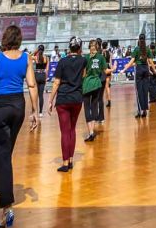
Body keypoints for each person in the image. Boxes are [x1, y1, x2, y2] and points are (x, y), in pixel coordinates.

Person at [0, 24, 39, 228]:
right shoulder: (26, 58)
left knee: (2, 155)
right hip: (18, 107)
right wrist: (35, 112)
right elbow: (32, 85)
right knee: (3, 153)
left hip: (0, 106)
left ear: (5, 39)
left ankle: (7, 207)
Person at [48, 36, 86, 172]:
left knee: (65, 131)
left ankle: (65, 162)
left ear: (69, 47)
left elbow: (56, 82)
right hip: (76, 98)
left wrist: (50, 100)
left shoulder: (62, 61)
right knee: (72, 129)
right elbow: (84, 75)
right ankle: (70, 159)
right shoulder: (83, 60)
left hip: (63, 99)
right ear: (80, 48)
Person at [82, 39, 109, 139]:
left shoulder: (86, 57)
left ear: (89, 47)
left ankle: (90, 131)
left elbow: (83, 74)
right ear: (97, 47)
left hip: (87, 84)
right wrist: (114, 68)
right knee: (94, 107)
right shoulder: (101, 57)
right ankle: (92, 131)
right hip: (97, 84)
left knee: (86, 108)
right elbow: (106, 71)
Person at [31, 45, 49, 116]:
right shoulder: (46, 58)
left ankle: (34, 111)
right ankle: (40, 112)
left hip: (37, 75)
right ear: (44, 50)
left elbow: (28, 56)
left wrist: (35, 51)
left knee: (35, 95)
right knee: (41, 95)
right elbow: (47, 70)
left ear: (38, 50)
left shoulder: (36, 57)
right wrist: (46, 78)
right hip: (43, 75)